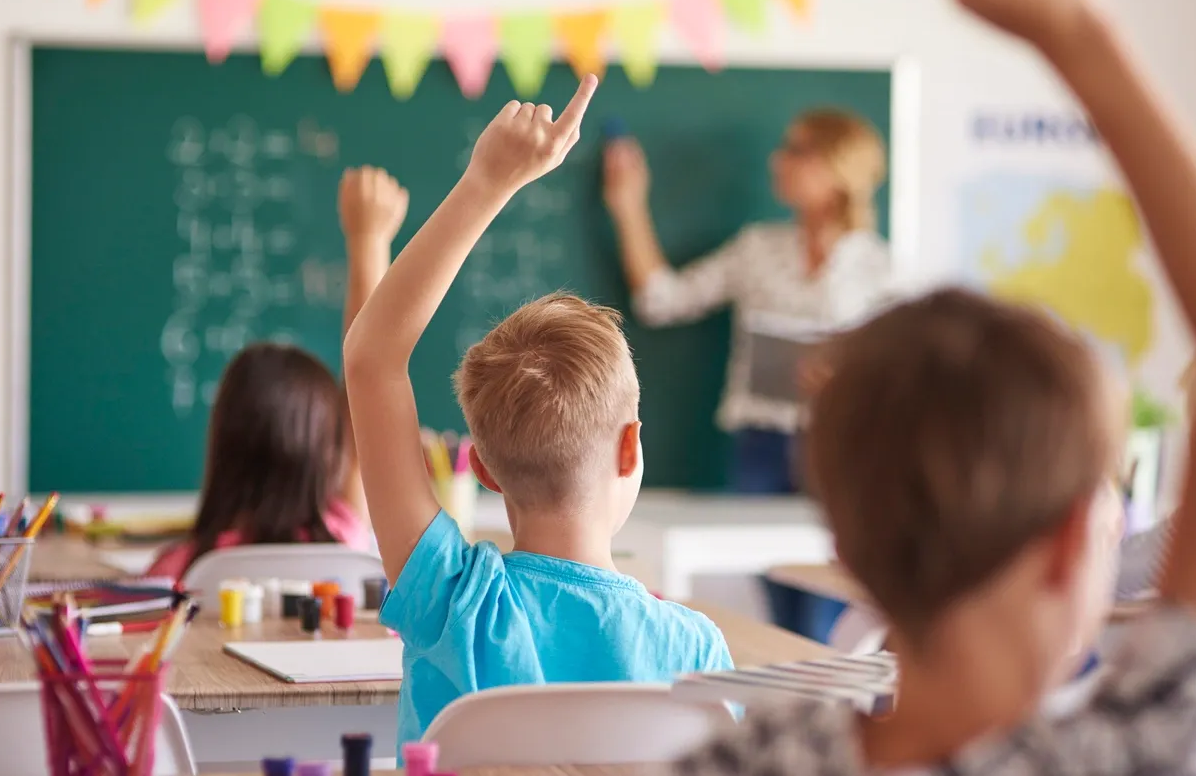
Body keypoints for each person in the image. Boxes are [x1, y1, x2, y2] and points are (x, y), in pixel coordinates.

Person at [673, 0, 1196, 774]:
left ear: (842, 544)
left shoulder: (737, 761)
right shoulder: (1141, 751)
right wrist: (1076, 30)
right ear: (1078, 537)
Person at [344, 76, 733, 753]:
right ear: (630, 447)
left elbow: (372, 359)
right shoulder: (694, 650)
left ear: (484, 468)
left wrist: (486, 182)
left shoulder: (453, 602)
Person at [603, 110, 892, 494]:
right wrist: (628, 206)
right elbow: (659, 300)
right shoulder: (757, 249)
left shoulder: (883, 271)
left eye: (797, 150)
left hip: (845, 442)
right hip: (759, 447)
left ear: (837, 167)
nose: (777, 160)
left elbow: (903, 377)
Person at [146, 167, 408, 579]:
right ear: (328, 450)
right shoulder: (345, 538)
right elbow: (366, 392)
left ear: (222, 445)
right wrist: (368, 241)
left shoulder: (180, 571)